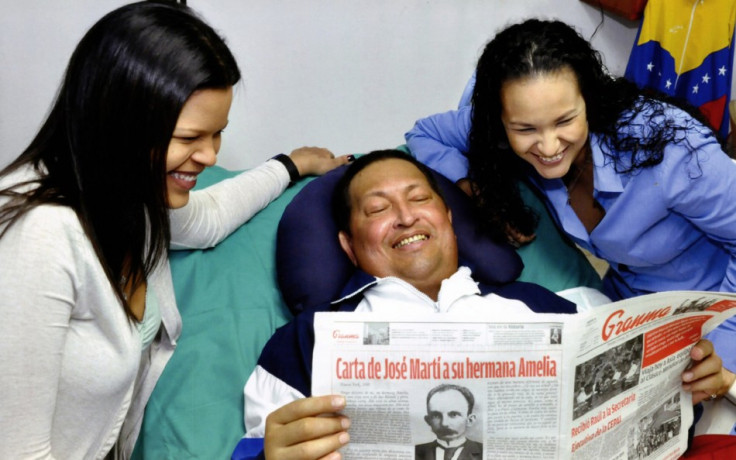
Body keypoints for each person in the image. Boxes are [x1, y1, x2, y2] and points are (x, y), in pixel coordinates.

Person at [0, 2, 347, 458]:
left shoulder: (126, 193)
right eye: (189, 139)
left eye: (217, 133)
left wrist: (290, 164)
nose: (208, 156)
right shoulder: (38, 235)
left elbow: (209, 218)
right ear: (119, 124)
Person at [237, 150, 726, 460]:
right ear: (348, 244)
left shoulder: (561, 308)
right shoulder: (304, 344)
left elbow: (650, 427)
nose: (405, 216)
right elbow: (262, 447)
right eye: (378, 209)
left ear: (448, 218)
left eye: (418, 199)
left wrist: (686, 382)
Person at [405, 18, 736, 407]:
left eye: (564, 121)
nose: (547, 146)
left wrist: (719, 347)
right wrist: (471, 187)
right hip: (631, 302)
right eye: (525, 129)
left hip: (720, 302)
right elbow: (423, 134)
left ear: (589, 101)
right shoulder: (498, 124)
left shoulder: (676, 150)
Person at [415, 383, 483, 460]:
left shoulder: (484, 451)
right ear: (428, 420)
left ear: (470, 420)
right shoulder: (415, 451)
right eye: (436, 416)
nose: (444, 423)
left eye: (453, 414)